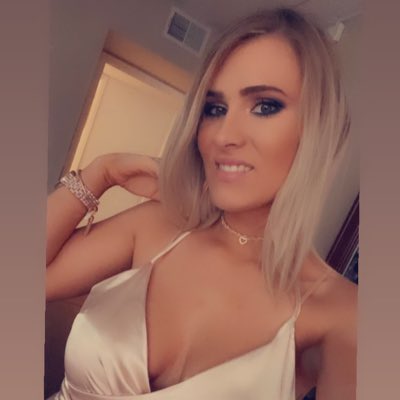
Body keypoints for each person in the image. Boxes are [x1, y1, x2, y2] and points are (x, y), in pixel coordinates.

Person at [46, 7, 357, 400]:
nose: (223, 135)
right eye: (215, 109)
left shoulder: (342, 316)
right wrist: (101, 172)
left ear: (317, 128)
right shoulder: (158, 225)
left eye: (264, 106)